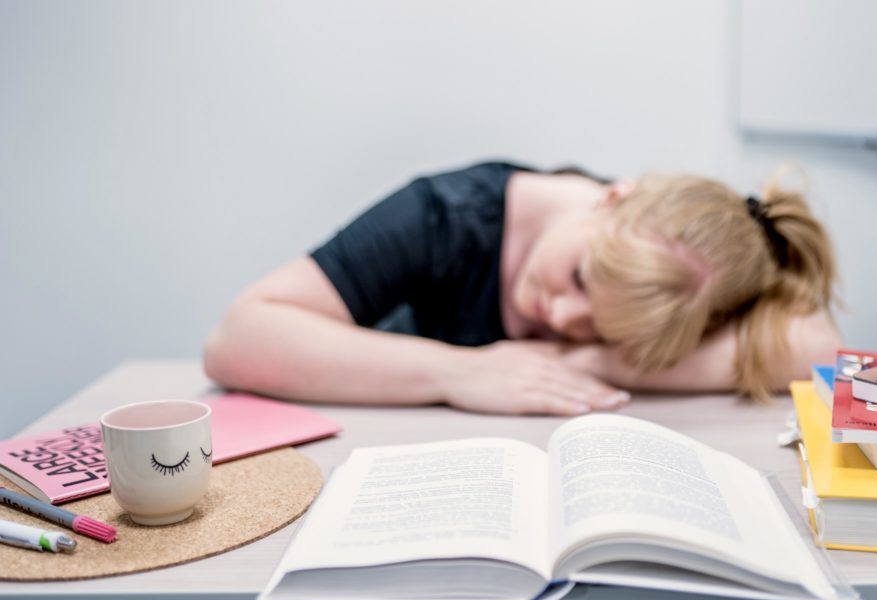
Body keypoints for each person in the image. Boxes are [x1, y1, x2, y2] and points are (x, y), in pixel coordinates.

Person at [203, 161, 840, 416]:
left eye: (601, 326)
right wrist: (460, 373)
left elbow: (815, 348)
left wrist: (575, 363)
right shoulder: (442, 216)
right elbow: (238, 338)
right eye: (579, 278)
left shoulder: (676, 279)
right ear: (614, 197)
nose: (562, 316)